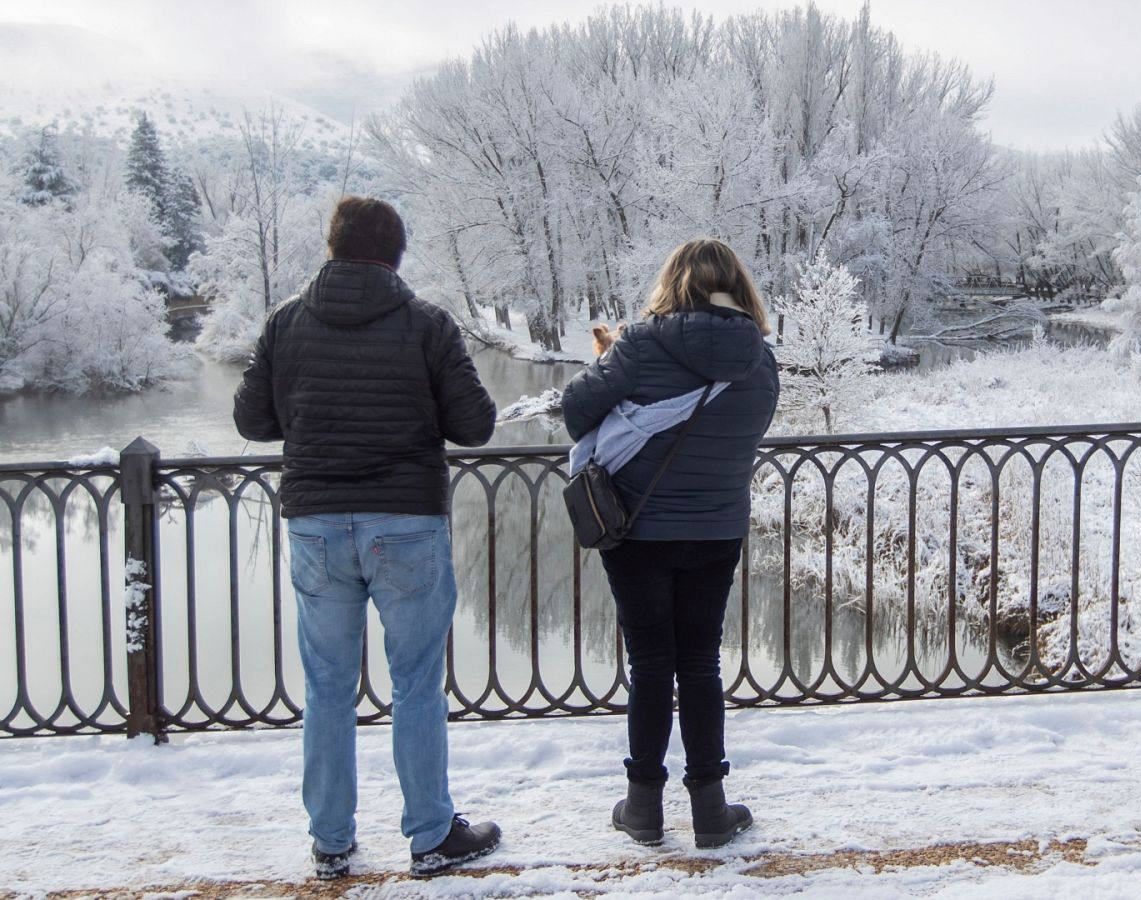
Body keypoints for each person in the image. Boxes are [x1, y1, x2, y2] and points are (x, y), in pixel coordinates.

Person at [233, 196, 502, 879]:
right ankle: (431, 835)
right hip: (405, 523)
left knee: (326, 685)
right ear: (396, 253)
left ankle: (330, 840)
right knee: (415, 683)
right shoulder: (427, 325)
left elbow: (251, 421)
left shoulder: (286, 321)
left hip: (317, 523)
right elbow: (475, 426)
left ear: (333, 247)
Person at [561, 238, 780, 849]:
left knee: (652, 665)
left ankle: (644, 808)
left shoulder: (641, 344)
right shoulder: (759, 359)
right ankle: (709, 808)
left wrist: (611, 370)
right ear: (738, 287)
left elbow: (575, 411)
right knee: (701, 664)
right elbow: (750, 427)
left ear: (673, 282)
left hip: (638, 530)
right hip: (716, 528)